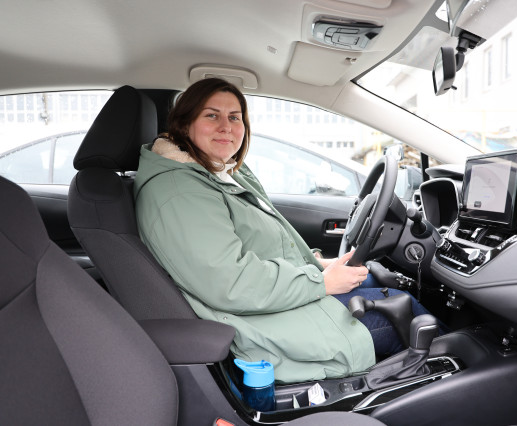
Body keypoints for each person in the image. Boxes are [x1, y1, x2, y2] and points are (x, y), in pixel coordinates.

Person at [134, 78, 429, 383]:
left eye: (234, 117)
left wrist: (318, 265)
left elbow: (262, 244)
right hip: (254, 323)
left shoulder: (219, 170)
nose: (226, 127)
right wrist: (320, 282)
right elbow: (230, 283)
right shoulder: (179, 192)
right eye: (212, 115)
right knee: (405, 309)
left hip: (269, 302)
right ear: (185, 125)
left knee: (376, 277)